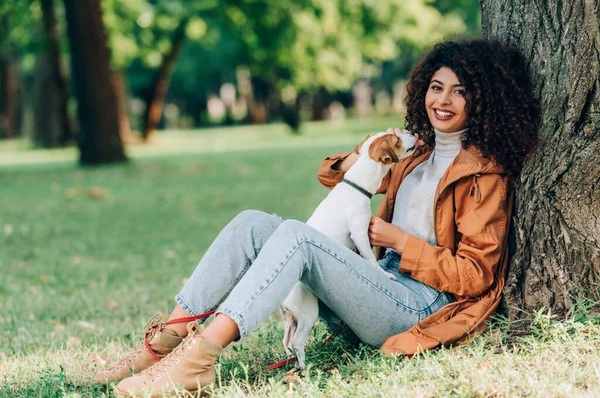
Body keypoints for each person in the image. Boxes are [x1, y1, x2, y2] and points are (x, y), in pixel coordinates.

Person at [93, 38, 538, 396]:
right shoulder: (414, 154)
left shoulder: (485, 174)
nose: (443, 100)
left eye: (460, 91)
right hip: (372, 284)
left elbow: (477, 275)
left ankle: (198, 361)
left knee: (297, 237)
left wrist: (400, 242)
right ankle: (162, 345)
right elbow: (331, 175)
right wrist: (363, 155)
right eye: (436, 87)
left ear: (482, 101)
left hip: (417, 308)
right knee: (253, 223)